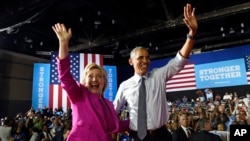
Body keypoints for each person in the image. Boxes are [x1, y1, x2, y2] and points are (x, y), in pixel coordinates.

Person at [113, 3, 198, 141]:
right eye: (140, 58)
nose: (145, 61)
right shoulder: (124, 86)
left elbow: (179, 61)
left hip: (161, 136)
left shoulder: (158, 75)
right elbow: (113, 111)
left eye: (147, 57)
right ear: (131, 61)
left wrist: (192, 34)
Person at [52, 23, 129, 141]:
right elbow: (65, 77)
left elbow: (115, 126)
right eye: (90, 76)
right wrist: (63, 44)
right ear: (84, 80)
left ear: (104, 82)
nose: (94, 79)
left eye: (99, 76)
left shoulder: (108, 104)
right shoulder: (78, 94)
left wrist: (142, 120)